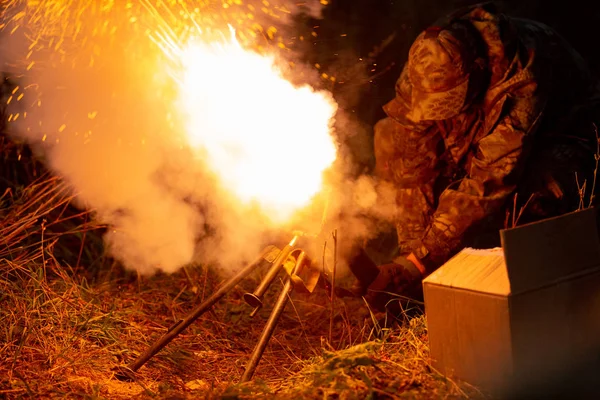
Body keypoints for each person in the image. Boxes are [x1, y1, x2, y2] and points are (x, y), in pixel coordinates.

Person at [348, 2, 600, 312]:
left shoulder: (525, 71)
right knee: (389, 135)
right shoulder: (423, 69)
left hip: (559, 136)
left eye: (448, 103)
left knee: (527, 199)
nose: (440, 112)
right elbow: (414, 167)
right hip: (480, 122)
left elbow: (492, 178)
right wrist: (412, 261)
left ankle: (536, 290)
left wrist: (423, 259)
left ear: (478, 69)